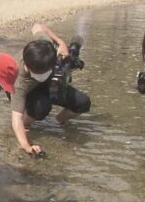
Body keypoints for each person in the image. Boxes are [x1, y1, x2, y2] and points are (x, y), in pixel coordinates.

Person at [9, 24, 91, 156]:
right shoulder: (19, 81)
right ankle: (27, 123)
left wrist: (61, 43)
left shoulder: (45, 47)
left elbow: (37, 26)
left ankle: (56, 122)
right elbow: (16, 119)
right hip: (29, 91)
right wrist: (27, 146)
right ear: (30, 68)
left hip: (50, 84)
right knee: (42, 107)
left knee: (83, 103)